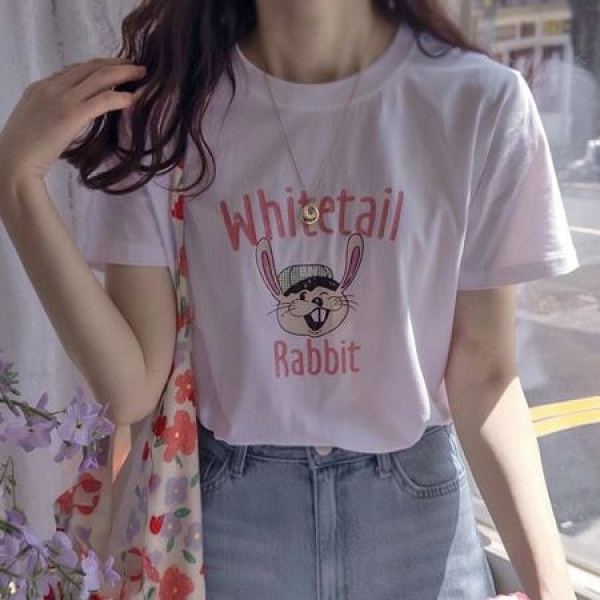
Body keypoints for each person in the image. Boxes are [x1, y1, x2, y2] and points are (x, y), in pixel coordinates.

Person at [0, 0, 580, 598]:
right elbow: (132, 388)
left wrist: (553, 587)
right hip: (230, 518)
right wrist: (16, 182)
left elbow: (485, 372)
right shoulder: (164, 113)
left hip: (418, 518)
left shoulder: (478, 102)